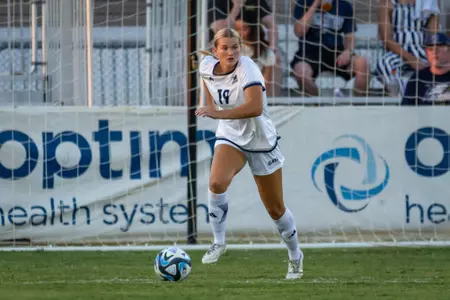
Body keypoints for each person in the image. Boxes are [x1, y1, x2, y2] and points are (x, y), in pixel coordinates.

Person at [196, 28, 304, 280]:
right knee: (216, 182)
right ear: (215, 51)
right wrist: (211, 107)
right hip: (231, 136)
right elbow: (208, 83)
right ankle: (218, 242)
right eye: (225, 48)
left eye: (235, 47)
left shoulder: (249, 69)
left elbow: (254, 107)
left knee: (275, 208)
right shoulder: (206, 65)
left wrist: (217, 113)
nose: (231, 52)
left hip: (260, 140)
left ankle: (295, 255)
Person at [291, 0, 370, 97]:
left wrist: (348, 51)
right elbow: (299, 32)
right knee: (300, 72)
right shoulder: (303, 3)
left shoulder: (344, 6)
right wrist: (315, 5)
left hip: (336, 51)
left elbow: (349, 36)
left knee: (362, 64)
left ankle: (357, 108)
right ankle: (318, 104)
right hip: (310, 51)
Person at [207, 0, 282, 97]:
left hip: (251, 44)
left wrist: (272, 48)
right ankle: (226, 98)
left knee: (274, 58)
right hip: (225, 48)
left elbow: (271, 24)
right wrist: (237, 6)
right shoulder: (216, 2)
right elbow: (220, 30)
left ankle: (269, 100)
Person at [376, 0, 440, 96]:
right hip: (397, 51)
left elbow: (433, 38)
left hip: (422, 50)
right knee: (383, 64)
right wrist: (412, 60)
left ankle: (431, 97)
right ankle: (404, 98)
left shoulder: (429, 3)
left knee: (440, 65)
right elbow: (386, 39)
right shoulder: (387, 3)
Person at [402, 32, 450, 105]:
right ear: (426, 54)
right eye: (430, 49)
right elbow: (407, 109)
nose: (434, 52)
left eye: (438, 49)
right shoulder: (418, 77)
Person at [235, 19, 277, 95]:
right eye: (236, 29)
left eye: (244, 29)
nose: (239, 33)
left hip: (255, 94)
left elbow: (266, 82)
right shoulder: (231, 50)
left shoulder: (266, 53)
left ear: (253, 30)